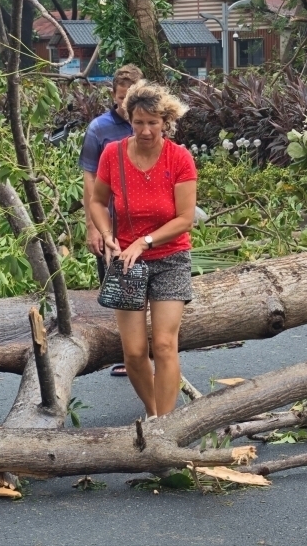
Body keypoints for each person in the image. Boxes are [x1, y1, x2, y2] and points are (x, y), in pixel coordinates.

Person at [89, 80, 197, 419]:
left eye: (153, 122)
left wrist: (144, 241)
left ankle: (165, 425)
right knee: (134, 353)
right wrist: (107, 234)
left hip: (170, 258)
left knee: (164, 344)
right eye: (139, 122)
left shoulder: (179, 158)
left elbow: (184, 219)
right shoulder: (113, 154)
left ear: (165, 121)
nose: (146, 130)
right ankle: (152, 414)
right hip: (126, 265)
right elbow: (97, 201)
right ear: (129, 119)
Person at [80, 63, 144, 284]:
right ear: (113, 95)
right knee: (115, 291)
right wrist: (92, 227)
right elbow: (89, 179)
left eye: (132, 99)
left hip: (144, 223)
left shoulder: (150, 127)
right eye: (121, 98)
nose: (127, 105)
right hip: (111, 224)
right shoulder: (99, 129)